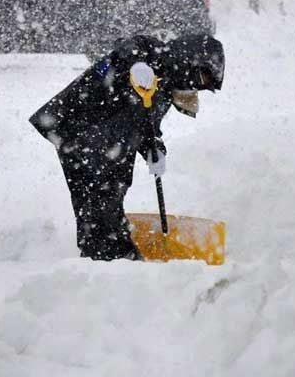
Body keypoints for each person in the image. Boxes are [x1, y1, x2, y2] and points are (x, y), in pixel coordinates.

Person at [29, 34, 225, 261]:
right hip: (81, 128)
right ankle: (114, 257)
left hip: (107, 140)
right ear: (190, 58)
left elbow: (147, 125)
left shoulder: (165, 89)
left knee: (105, 194)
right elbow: (123, 51)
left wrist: (154, 148)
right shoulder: (149, 50)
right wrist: (137, 64)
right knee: (102, 193)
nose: (196, 85)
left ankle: (102, 256)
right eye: (201, 76)